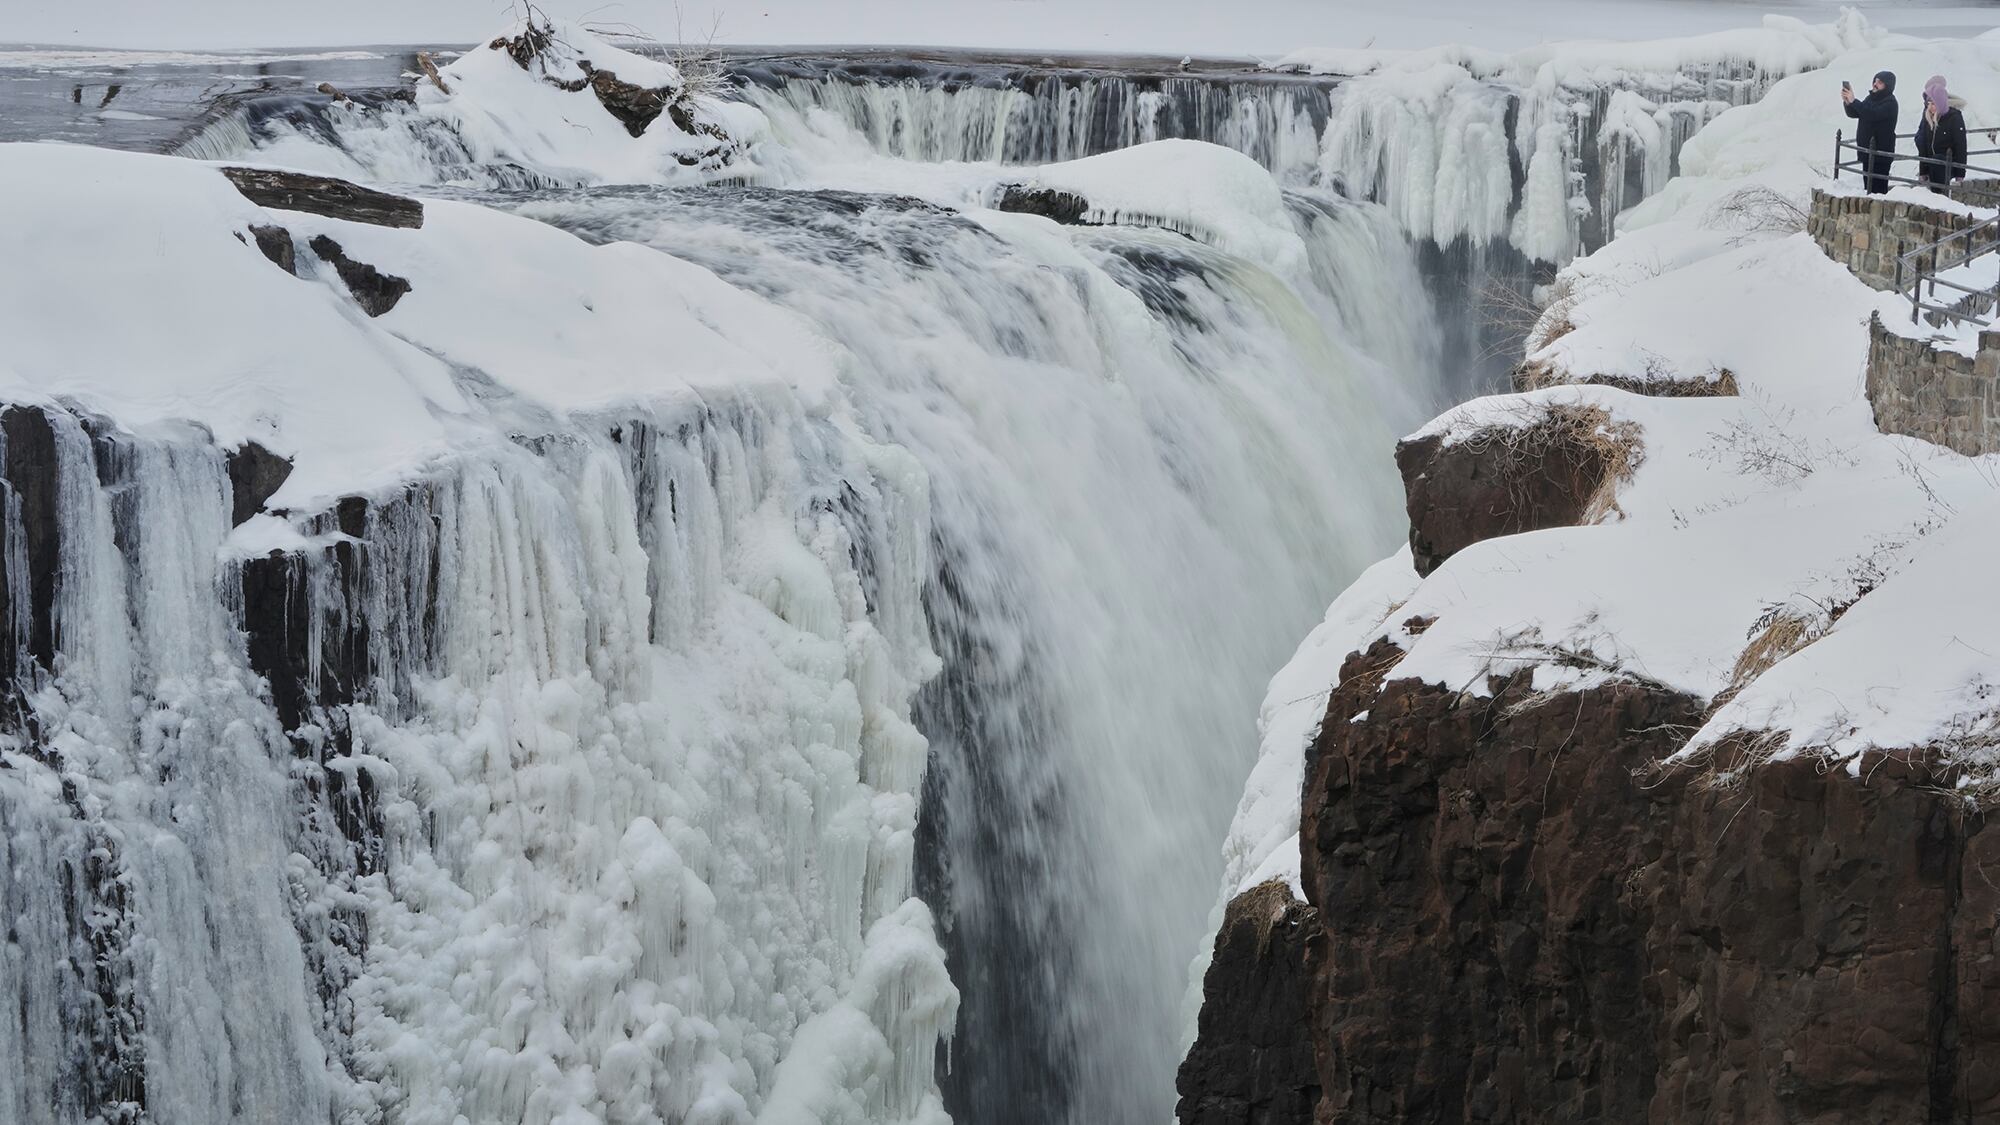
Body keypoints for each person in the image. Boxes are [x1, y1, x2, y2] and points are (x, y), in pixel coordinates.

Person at [1843, 70, 1900, 194]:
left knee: (1878, 191)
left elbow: (1872, 114)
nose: (1875, 84)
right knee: (1868, 188)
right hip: (1866, 151)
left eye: (1879, 82)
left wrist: (1854, 101)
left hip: (1880, 153)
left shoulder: (1890, 103)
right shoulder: (1871, 98)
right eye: (1875, 81)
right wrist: (1848, 103)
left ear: (1887, 85)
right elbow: (1857, 113)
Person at [1915, 74, 1969, 194]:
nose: (1930, 107)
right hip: (1931, 166)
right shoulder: (1928, 118)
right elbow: (1924, 146)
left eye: (1933, 103)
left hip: (1947, 166)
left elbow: (1960, 146)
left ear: (1940, 102)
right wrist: (1923, 171)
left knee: (1940, 195)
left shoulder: (1954, 118)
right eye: (1928, 104)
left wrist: (1960, 174)